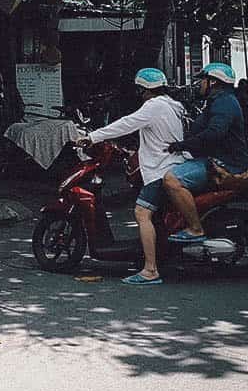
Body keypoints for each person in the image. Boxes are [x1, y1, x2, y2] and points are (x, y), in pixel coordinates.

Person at [75, 68, 187, 285]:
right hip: (174, 165)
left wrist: (92, 137)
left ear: (144, 90)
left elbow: (127, 124)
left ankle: (150, 270)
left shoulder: (153, 107)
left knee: (141, 213)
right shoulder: (174, 106)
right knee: (153, 215)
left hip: (160, 170)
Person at [162, 62, 248, 244]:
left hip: (223, 164)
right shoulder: (218, 101)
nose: (200, 84)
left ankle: (195, 228)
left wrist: (181, 145)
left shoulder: (224, 102)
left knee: (171, 180)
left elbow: (214, 133)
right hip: (214, 159)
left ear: (213, 82)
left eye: (203, 80)